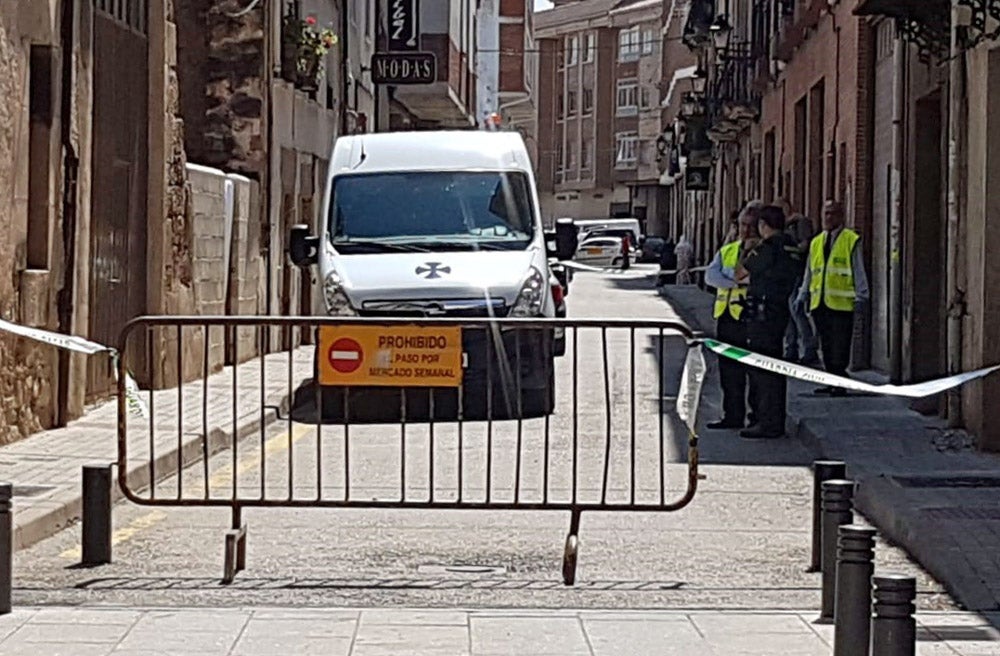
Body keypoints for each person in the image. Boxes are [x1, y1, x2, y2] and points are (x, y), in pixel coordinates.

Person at [740, 205, 802, 439]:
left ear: (764, 226)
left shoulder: (767, 247)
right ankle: (775, 419)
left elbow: (739, 273)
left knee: (761, 369)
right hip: (780, 309)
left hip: (762, 311)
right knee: (776, 368)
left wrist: (746, 250)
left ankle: (766, 422)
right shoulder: (791, 246)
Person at [797, 199, 870, 396]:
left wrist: (862, 295)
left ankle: (839, 383)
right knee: (826, 345)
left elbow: (858, 268)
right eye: (826, 213)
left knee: (840, 346)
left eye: (832, 214)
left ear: (841, 216)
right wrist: (803, 294)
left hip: (842, 304)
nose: (828, 218)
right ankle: (830, 381)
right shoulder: (816, 241)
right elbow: (810, 271)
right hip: (820, 302)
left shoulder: (850, 239)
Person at [704, 202, 763, 430]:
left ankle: (755, 417)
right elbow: (711, 276)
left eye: (750, 226)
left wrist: (730, 279)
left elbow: (754, 279)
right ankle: (732, 415)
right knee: (729, 372)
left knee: (754, 372)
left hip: (750, 317)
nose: (745, 231)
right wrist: (733, 281)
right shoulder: (729, 249)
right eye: (741, 225)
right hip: (727, 317)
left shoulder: (761, 252)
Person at [783, 211, 820, 365]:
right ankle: (791, 349)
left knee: (796, 310)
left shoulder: (801, 223)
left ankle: (809, 349)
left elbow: (804, 247)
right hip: (790, 275)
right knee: (790, 313)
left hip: (799, 273)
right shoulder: (787, 226)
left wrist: (787, 249)